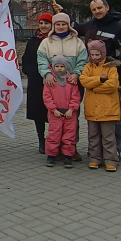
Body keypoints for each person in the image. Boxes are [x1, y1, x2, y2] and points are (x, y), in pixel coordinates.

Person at [68, 0, 121, 156]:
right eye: (94, 9)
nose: (97, 11)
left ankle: (114, 151)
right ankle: (95, 151)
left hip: (110, 78)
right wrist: (61, 11)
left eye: (99, 8)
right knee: (93, 114)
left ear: (107, 7)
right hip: (91, 78)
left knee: (113, 115)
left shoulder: (119, 28)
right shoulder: (90, 25)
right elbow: (73, 26)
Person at [37, 12, 88, 161]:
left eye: (63, 24)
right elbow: (41, 61)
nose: (60, 27)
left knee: (72, 117)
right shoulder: (46, 43)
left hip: (72, 84)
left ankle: (71, 148)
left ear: (68, 25)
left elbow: (83, 60)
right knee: (55, 118)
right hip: (53, 85)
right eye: (57, 24)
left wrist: (76, 74)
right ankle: (55, 149)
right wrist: (47, 74)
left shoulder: (77, 42)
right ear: (54, 26)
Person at [80, 41, 121, 172]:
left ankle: (111, 159)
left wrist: (94, 88)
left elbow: (113, 85)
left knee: (108, 136)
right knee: (93, 136)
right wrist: (99, 80)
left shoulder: (111, 67)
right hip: (92, 108)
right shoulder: (88, 67)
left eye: (97, 54)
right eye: (92, 54)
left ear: (103, 54)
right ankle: (94, 158)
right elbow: (84, 81)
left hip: (108, 108)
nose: (94, 57)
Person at [21, 13, 52, 154]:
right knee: (38, 111)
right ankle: (41, 139)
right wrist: (29, 72)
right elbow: (26, 59)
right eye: (41, 23)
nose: (43, 26)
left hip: (52, 81)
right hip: (36, 81)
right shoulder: (33, 41)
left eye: (47, 23)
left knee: (52, 110)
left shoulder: (55, 40)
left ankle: (54, 138)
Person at [42, 55, 81, 168]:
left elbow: (76, 97)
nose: (59, 68)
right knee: (54, 135)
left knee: (69, 135)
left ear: (66, 67)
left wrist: (71, 109)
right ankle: (51, 155)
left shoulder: (71, 81)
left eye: (62, 66)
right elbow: (47, 97)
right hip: (55, 114)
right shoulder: (50, 81)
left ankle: (68, 156)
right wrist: (53, 109)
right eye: (57, 66)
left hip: (69, 114)